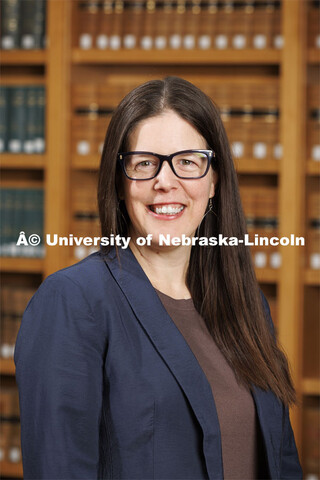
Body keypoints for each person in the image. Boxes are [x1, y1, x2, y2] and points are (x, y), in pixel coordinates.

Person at [14, 76, 302, 480]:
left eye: (187, 161)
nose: (165, 181)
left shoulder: (246, 301)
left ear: (214, 179)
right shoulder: (73, 301)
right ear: (119, 181)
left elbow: (282, 458)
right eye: (145, 163)